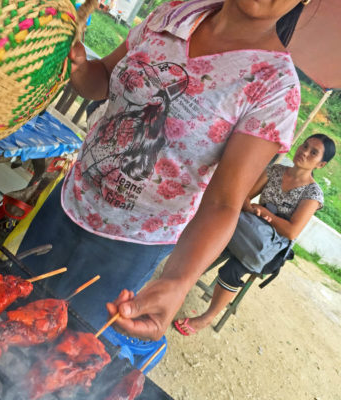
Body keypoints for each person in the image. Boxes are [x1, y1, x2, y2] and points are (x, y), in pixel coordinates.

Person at [17, 0, 309, 340]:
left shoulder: (275, 87)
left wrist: (178, 281)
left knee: (58, 349)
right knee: (8, 303)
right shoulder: (174, 14)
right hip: (70, 201)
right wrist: (81, 69)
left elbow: (224, 203)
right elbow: (104, 80)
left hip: (131, 244)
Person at [174, 133, 336, 335]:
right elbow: (245, 196)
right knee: (211, 240)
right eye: (305, 146)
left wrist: (266, 213)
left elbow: (292, 231)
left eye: (313, 153)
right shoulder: (275, 170)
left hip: (269, 249)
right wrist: (251, 209)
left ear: (320, 164)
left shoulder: (313, 194)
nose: (304, 152)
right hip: (247, 227)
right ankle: (176, 288)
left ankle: (207, 317)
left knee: (234, 268)